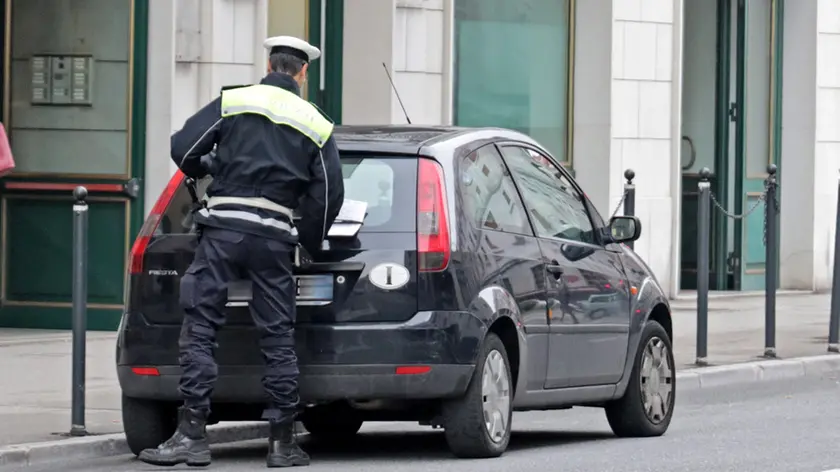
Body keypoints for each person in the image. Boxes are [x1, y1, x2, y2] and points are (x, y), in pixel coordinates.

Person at [138, 36, 344, 468]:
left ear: (267, 63)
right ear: (303, 73)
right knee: (276, 336)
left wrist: (211, 166)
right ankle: (281, 444)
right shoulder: (316, 123)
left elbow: (183, 148)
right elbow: (328, 196)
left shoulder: (234, 101)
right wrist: (306, 237)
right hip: (272, 239)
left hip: (223, 232)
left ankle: (192, 435)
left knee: (200, 328)